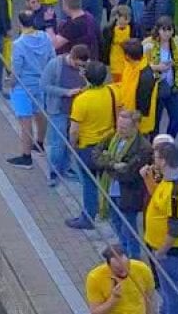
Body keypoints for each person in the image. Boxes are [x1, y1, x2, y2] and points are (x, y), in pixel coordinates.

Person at [93, 111, 152, 259]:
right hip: (111, 188)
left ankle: (134, 257)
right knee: (115, 221)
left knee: (129, 228)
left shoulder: (144, 147)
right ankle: (123, 251)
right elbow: (95, 154)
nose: (120, 130)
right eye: (119, 126)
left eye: (124, 128)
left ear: (135, 127)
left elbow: (129, 173)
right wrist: (113, 164)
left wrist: (107, 161)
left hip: (128, 193)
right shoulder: (113, 136)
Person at [142, 142, 178, 314]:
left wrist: (161, 252)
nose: (153, 160)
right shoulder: (171, 178)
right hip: (158, 243)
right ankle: (167, 310)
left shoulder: (177, 192)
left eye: (155, 157)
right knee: (168, 288)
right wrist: (147, 178)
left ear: (163, 161)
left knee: (171, 290)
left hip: (169, 250)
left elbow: (175, 228)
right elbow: (158, 198)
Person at [68, 61, 117, 230]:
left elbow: (74, 130)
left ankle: (88, 216)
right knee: (106, 181)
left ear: (86, 76)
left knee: (89, 183)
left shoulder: (81, 100)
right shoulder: (112, 92)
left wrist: (72, 145)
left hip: (87, 147)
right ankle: (108, 212)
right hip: (107, 146)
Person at [41, 43, 90, 186]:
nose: (79, 68)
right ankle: (54, 172)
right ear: (72, 57)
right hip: (58, 110)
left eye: (83, 65)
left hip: (76, 111)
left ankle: (67, 168)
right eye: (78, 65)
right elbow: (44, 85)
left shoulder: (85, 67)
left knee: (70, 142)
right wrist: (66, 92)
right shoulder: (55, 65)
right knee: (58, 143)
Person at [7, 11, 51, 169]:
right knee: (40, 113)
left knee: (25, 120)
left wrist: (10, 84)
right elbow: (51, 57)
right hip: (41, 82)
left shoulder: (18, 44)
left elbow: (16, 69)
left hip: (24, 85)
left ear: (20, 23)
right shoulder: (45, 38)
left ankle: (26, 157)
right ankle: (40, 144)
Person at [143, 16, 178, 137]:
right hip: (157, 88)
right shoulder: (148, 44)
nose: (167, 33)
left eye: (169, 30)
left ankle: (167, 140)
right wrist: (157, 67)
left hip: (174, 86)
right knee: (154, 122)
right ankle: (154, 146)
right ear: (158, 30)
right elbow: (141, 66)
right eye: (164, 30)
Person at [84, 243, 155, 314]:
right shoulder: (95, 278)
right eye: (118, 270)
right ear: (109, 266)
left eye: (126, 267)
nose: (124, 273)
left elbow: (149, 298)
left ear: (129, 261)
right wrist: (113, 299)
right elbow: (95, 312)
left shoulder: (142, 269)